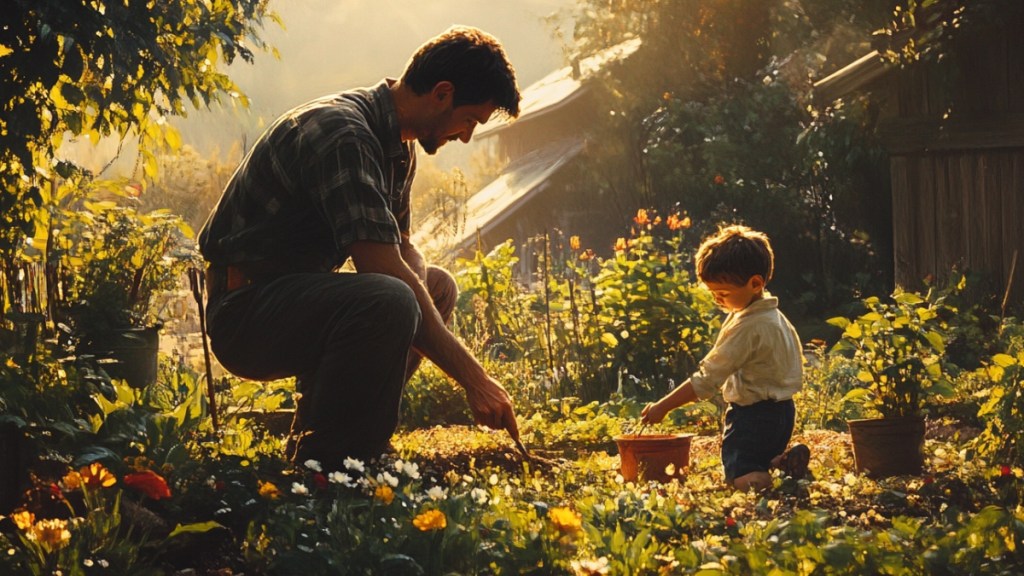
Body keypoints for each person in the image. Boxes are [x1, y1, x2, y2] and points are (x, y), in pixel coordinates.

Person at [197, 26, 522, 470]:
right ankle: (336, 462)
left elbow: (400, 250)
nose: (465, 136)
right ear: (442, 93)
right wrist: (475, 379)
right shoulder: (345, 135)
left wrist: (417, 275)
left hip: (297, 297)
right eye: (470, 120)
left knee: (436, 287)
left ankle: (328, 434)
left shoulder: (397, 148)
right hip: (246, 311)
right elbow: (381, 267)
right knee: (391, 299)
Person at [640, 225, 809, 491]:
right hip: (783, 412)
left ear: (755, 284)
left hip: (753, 416)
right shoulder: (775, 318)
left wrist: (663, 406)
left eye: (724, 293)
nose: (718, 300)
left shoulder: (749, 326)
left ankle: (780, 482)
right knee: (758, 460)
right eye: (713, 294)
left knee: (739, 474)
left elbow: (707, 380)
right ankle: (781, 464)